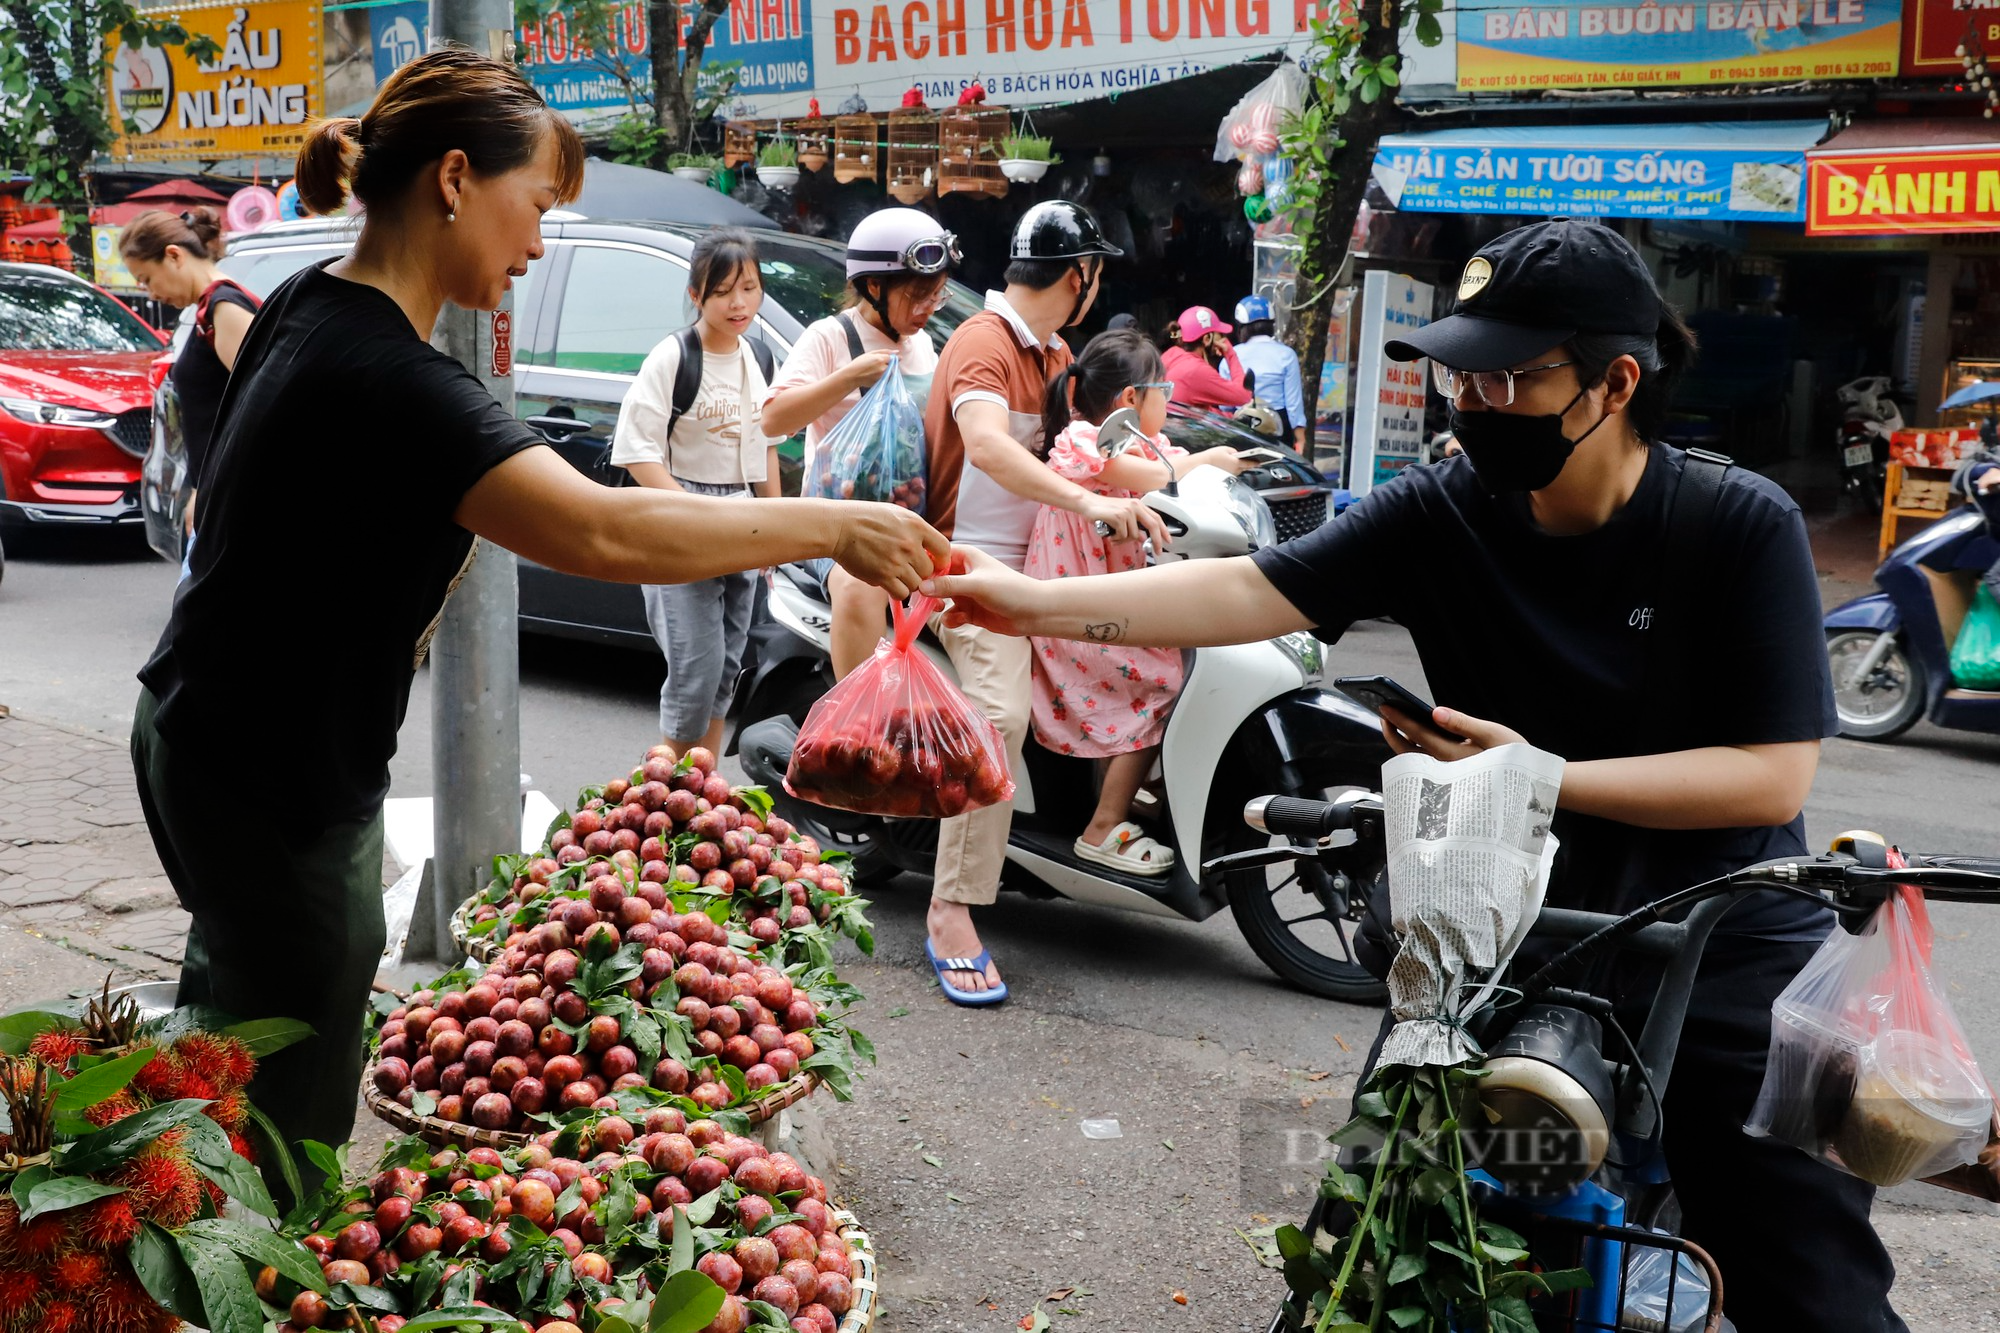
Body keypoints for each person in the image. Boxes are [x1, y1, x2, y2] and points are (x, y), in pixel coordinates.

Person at [928, 218, 1904, 1330]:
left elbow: (1768, 780)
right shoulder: (1445, 510)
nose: (1470, 406)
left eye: (1503, 380)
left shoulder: (1737, 524)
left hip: (1715, 949)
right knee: (1388, 1241)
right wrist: (1022, 601)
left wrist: (1535, 775)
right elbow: (1251, 590)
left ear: (1614, 380)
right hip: (1505, 937)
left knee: (1807, 1274)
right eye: (1458, 379)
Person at [130, 47, 945, 1170]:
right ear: (455, 179)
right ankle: (257, 1265)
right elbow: (605, 531)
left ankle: (173, 1213)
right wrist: (833, 525)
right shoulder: (395, 382)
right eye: (535, 205)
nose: (539, 242)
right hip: (269, 775)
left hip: (194, 724)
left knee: (223, 1035)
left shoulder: (306, 306)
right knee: (286, 1099)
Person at [919, 199, 1165, 1006]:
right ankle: (950, 908)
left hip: (1048, 574)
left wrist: (1188, 466)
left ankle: (1100, 822)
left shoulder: (1057, 350)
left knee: (1153, 654)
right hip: (971, 571)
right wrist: (1093, 505)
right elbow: (987, 444)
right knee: (1000, 715)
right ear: (1077, 275)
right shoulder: (982, 343)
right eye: (1095, 273)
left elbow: (1115, 440)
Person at [1025, 328, 1247, 875]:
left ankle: (1137, 787)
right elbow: (1146, 474)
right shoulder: (1081, 442)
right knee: (1160, 680)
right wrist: (1206, 461)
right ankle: (1103, 828)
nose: (1169, 400)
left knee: (1184, 660)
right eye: (1163, 389)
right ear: (1130, 400)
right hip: (1073, 613)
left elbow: (1171, 469)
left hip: (1114, 606)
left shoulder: (1146, 444)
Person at [611, 229, 781, 756]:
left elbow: (765, 447)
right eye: (724, 290)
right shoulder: (673, 357)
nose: (739, 303)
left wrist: (777, 529)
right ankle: (669, 797)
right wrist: (691, 513)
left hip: (742, 519)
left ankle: (701, 790)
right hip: (682, 515)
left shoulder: (758, 355)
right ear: (696, 295)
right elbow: (637, 451)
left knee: (727, 667)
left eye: (749, 288)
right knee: (696, 668)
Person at [763, 207, 953, 677]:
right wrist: (849, 375)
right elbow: (772, 421)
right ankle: (855, 718)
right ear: (874, 286)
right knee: (860, 585)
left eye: (936, 295)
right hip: (835, 527)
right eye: (918, 296)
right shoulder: (830, 337)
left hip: (912, 522)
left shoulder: (923, 344)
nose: (928, 308)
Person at [119, 208, 261, 546]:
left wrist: (210, 491)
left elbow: (263, 404)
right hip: (220, 497)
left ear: (173, 255)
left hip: (234, 500)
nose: (150, 294)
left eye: (147, 279)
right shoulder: (208, 311)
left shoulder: (224, 308)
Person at [1231, 295, 1307, 450]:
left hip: (1240, 423)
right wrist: (1300, 438)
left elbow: (1225, 404)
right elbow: (1293, 404)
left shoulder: (1232, 354)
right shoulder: (1286, 354)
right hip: (1278, 426)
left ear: (1241, 327)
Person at [1161, 305, 1251, 410]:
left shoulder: (1169, 356)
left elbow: (1202, 411)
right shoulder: (1195, 370)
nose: (1223, 339)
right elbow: (1244, 396)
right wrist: (1230, 354)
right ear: (1207, 339)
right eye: (1220, 334)